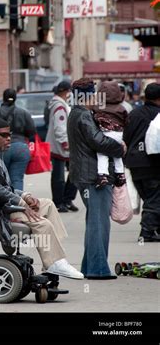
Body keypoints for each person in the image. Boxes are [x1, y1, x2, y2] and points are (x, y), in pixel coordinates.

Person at [0, 117, 83, 279]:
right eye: (4, 135)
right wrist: (20, 202)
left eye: (9, 134)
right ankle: (54, 261)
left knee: (47, 205)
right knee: (41, 223)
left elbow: (3, 187)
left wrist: (25, 195)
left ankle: (56, 258)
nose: (9, 138)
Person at [67, 78, 126, 280]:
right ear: (87, 96)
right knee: (99, 223)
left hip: (84, 174)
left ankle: (89, 266)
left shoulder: (77, 113)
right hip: (92, 176)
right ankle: (98, 269)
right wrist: (120, 147)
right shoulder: (83, 115)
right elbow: (98, 141)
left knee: (95, 222)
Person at [123, 82, 160, 242]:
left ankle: (154, 228)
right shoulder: (158, 115)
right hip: (152, 163)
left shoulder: (134, 114)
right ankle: (146, 232)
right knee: (154, 198)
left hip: (134, 163)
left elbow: (126, 138)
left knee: (150, 197)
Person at [0, 88, 36, 191]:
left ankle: (5, 202)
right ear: (15, 98)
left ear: (3, 98)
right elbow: (32, 133)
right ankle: (17, 203)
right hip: (21, 147)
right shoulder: (24, 112)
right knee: (17, 179)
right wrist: (31, 149)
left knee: (1, 179)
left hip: (2, 148)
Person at [46, 81, 78, 212]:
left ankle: (66, 200)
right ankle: (59, 202)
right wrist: (66, 143)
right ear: (65, 91)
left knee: (72, 174)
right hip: (60, 146)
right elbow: (60, 127)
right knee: (59, 177)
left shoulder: (60, 104)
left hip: (61, 145)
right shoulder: (59, 106)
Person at [92, 81, 128, 188]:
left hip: (105, 133)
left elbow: (93, 118)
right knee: (117, 155)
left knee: (102, 154)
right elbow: (127, 121)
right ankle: (120, 174)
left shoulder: (98, 107)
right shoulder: (121, 108)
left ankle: (103, 175)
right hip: (118, 134)